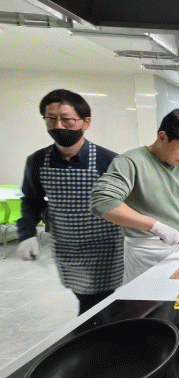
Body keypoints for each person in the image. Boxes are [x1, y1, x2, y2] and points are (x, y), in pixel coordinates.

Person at [90, 108, 179, 284]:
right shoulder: (131, 162)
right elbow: (103, 202)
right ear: (162, 137)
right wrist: (155, 226)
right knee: (147, 297)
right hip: (146, 251)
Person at [16, 89, 124, 315]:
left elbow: (127, 203)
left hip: (105, 248)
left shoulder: (109, 160)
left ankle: (91, 333)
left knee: (98, 304)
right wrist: (27, 234)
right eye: (51, 119)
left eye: (66, 120)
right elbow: (32, 200)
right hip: (67, 248)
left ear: (86, 122)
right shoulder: (37, 161)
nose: (58, 126)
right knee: (85, 297)